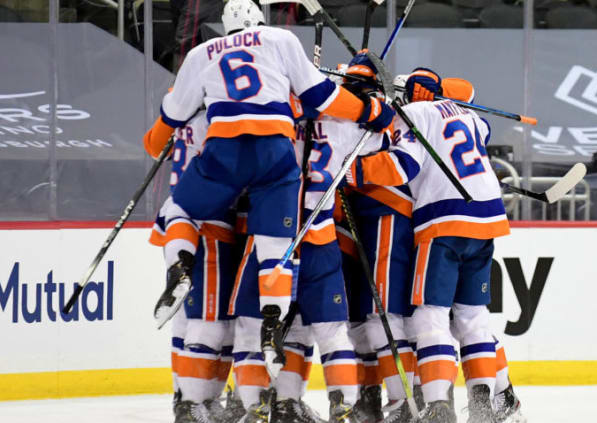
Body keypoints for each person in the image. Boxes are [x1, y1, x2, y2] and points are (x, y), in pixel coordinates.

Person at [141, 0, 395, 420]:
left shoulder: (200, 56)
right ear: (260, 18)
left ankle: (178, 265)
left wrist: (160, 137)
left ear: (222, 28)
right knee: (299, 285)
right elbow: (322, 97)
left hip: (223, 158)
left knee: (178, 211)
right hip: (285, 173)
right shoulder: (280, 40)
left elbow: (159, 135)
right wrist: (371, 109)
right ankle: (276, 320)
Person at [345, 67, 510, 423]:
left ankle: (438, 406)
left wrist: (352, 171)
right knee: (471, 317)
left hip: (444, 220)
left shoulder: (415, 115)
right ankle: (488, 406)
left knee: (430, 316)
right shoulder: (473, 118)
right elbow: (480, 133)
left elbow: (402, 165)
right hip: (489, 217)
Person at [148, 110, 246, 423]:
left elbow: (153, 145)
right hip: (209, 220)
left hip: (178, 219)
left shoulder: (182, 101)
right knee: (211, 322)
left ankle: (192, 398)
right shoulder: (224, 107)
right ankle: (193, 402)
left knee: (189, 319)